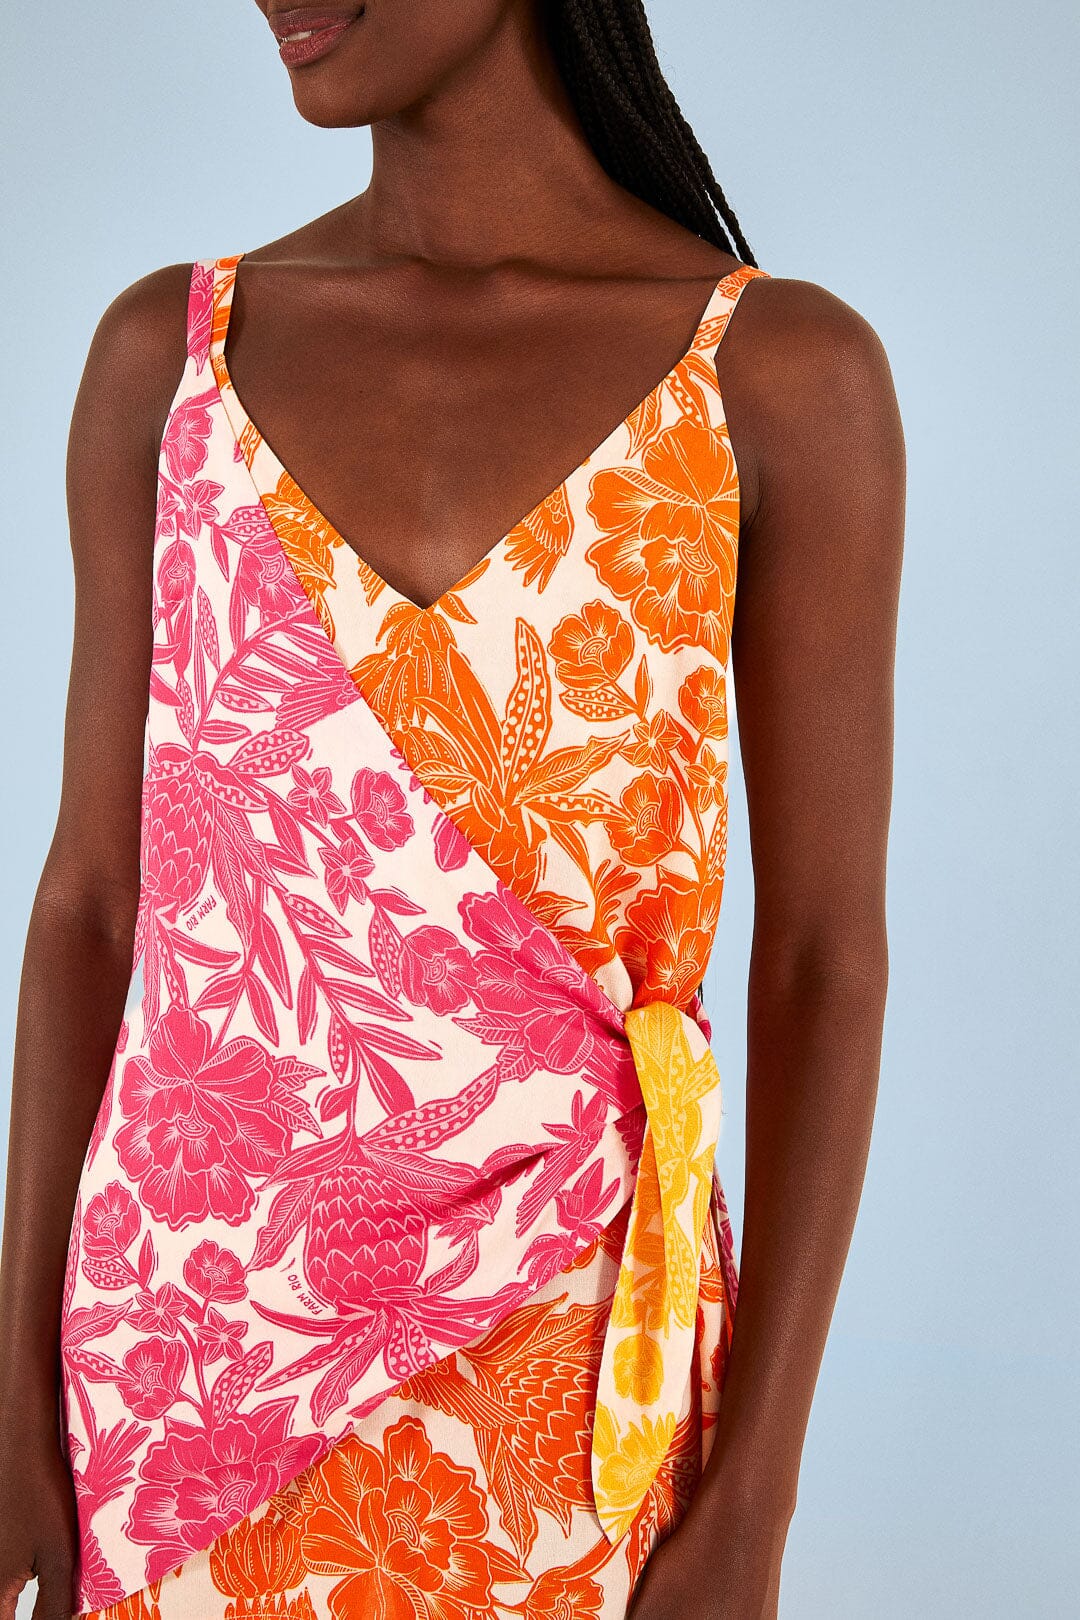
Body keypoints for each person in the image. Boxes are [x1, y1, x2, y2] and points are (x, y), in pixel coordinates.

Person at [0, 2, 905, 1617]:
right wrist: (10, 1396)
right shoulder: (171, 357)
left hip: (562, 1389)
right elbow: (89, 904)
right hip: (166, 1387)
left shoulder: (778, 378)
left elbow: (825, 960)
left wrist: (755, 1495)